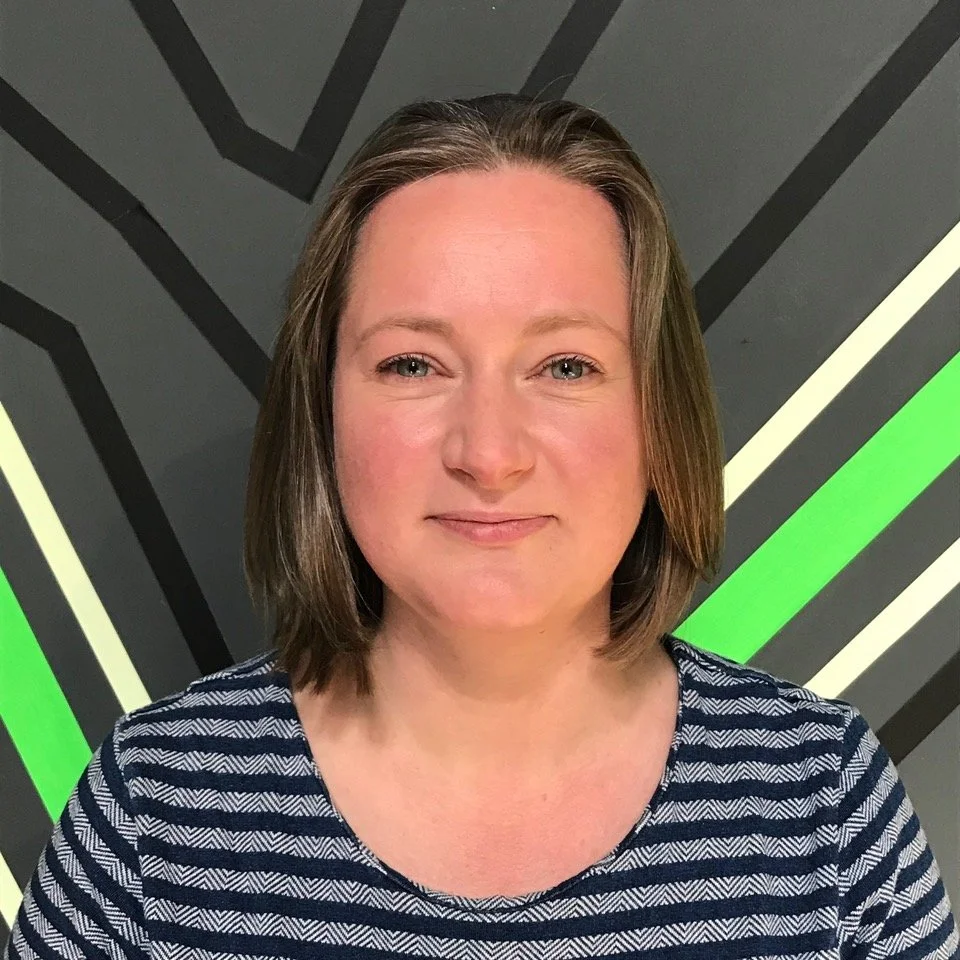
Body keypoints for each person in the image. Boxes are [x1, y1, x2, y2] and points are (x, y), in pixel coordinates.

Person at [6, 93, 957, 959]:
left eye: (567, 367)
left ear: (658, 412)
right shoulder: (156, 815)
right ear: (323, 410)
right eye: (413, 364)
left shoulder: (822, 804)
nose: (489, 452)